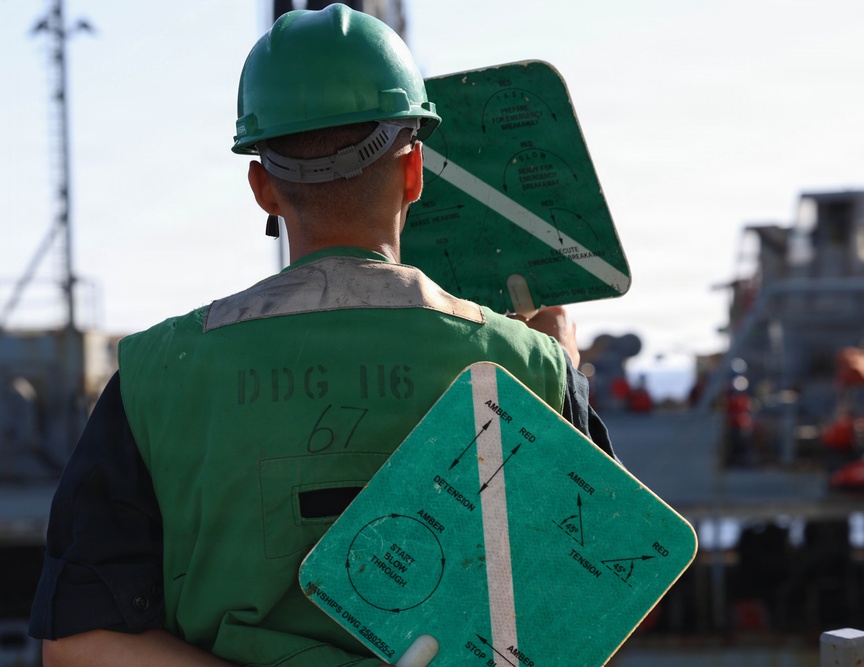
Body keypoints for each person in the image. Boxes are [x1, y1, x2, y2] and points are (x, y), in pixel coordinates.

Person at [29, 5, 611, 666]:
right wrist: (554, 376)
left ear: (263, 188)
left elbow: (77, 644)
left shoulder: (154, 377)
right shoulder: (527, 369)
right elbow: (594, 614)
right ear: (415, 170)